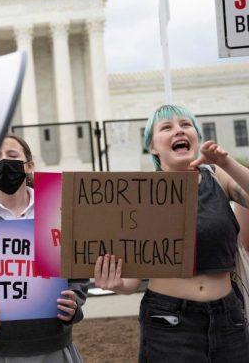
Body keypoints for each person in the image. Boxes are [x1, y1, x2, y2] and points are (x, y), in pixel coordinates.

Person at [95, 104, 249, 362]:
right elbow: (132, 281)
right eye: (166, 127)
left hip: (228, 320)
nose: (179, 130)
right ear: (153, 147)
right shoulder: (140, 194)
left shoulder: (218, 177)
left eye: (186, 125)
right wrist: (116, 283)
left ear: (196, 137)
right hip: (169, 323)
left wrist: (225, 162)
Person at [0, 133, 88, 363]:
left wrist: (73, 303)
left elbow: (78, 273)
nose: (4, 161)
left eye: (12, 155)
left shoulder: (58, 211)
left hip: (53, 347)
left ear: (29, 166)